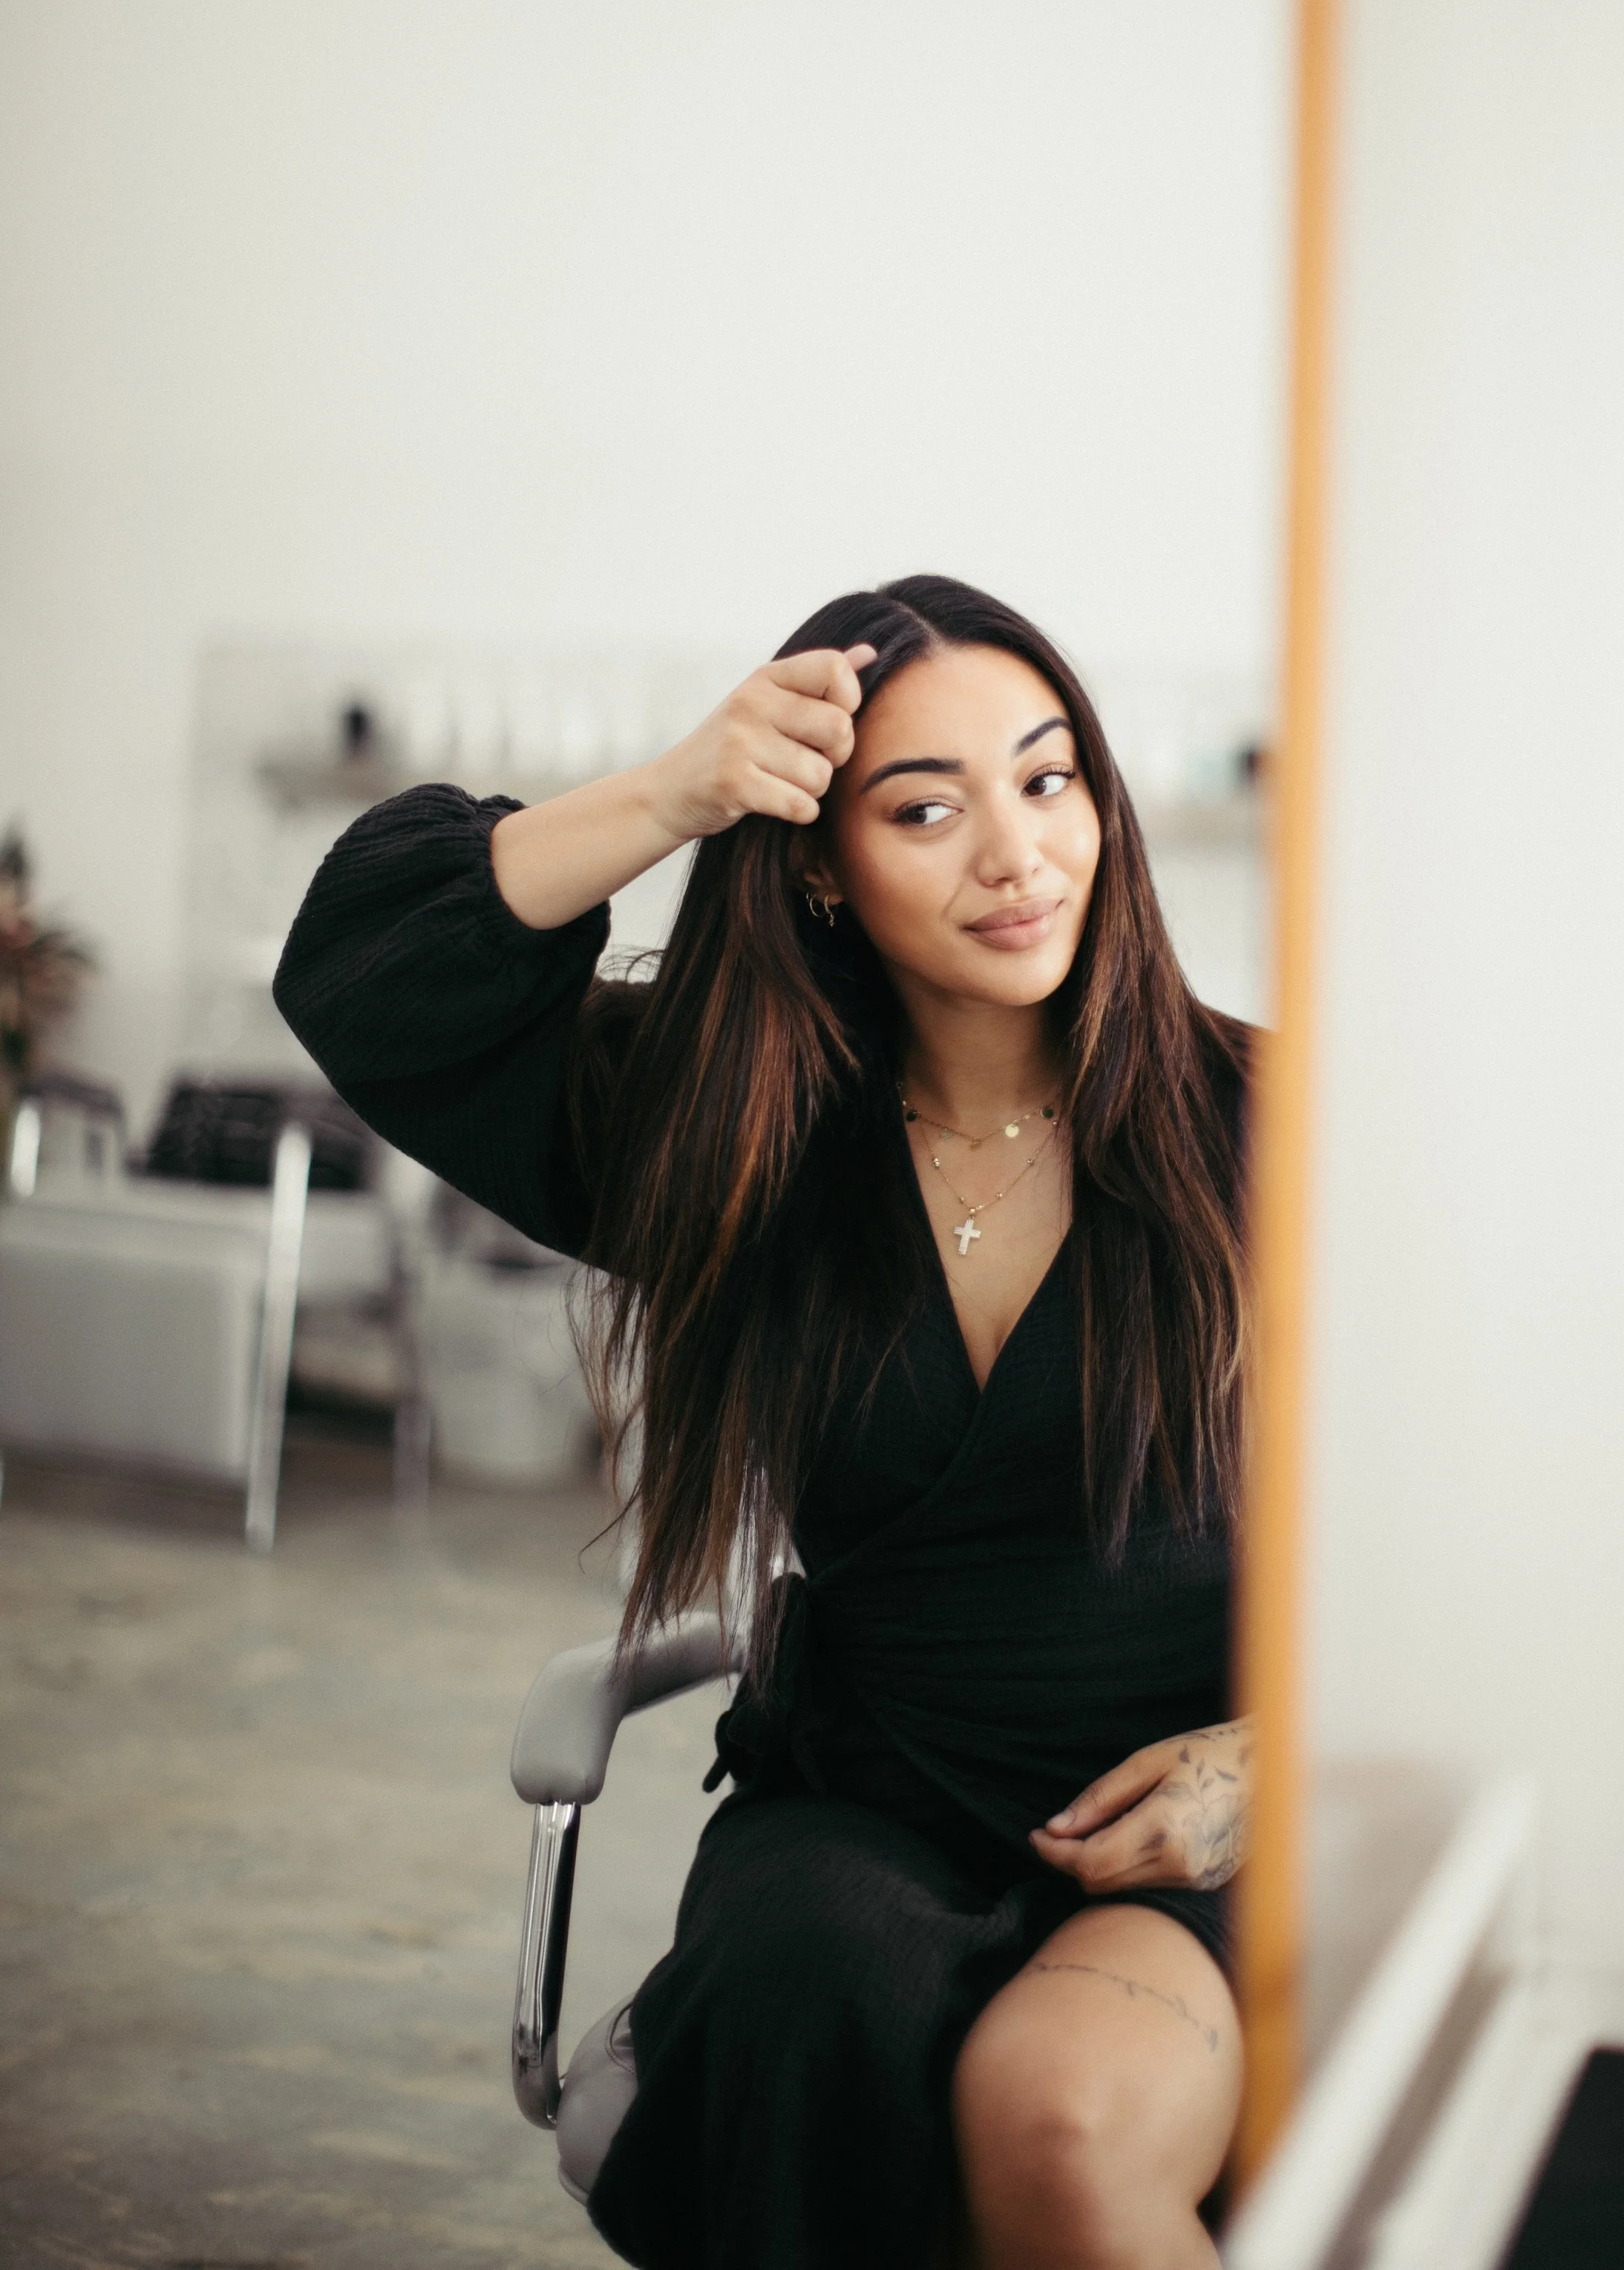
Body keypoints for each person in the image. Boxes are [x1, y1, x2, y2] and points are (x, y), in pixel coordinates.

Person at [275, 574, 1255, 2270]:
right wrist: (673, 792)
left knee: (1059, 2120)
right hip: (868, 1799)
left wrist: (1277, 1761)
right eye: (924, 808)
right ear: (813, 853)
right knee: (805, 2002)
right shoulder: (734, 1137)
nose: (1016, 856)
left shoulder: (1262, 1123)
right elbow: (365, 970)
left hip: (1189, 1815)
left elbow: (1494, 1524)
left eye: (1046, 780)